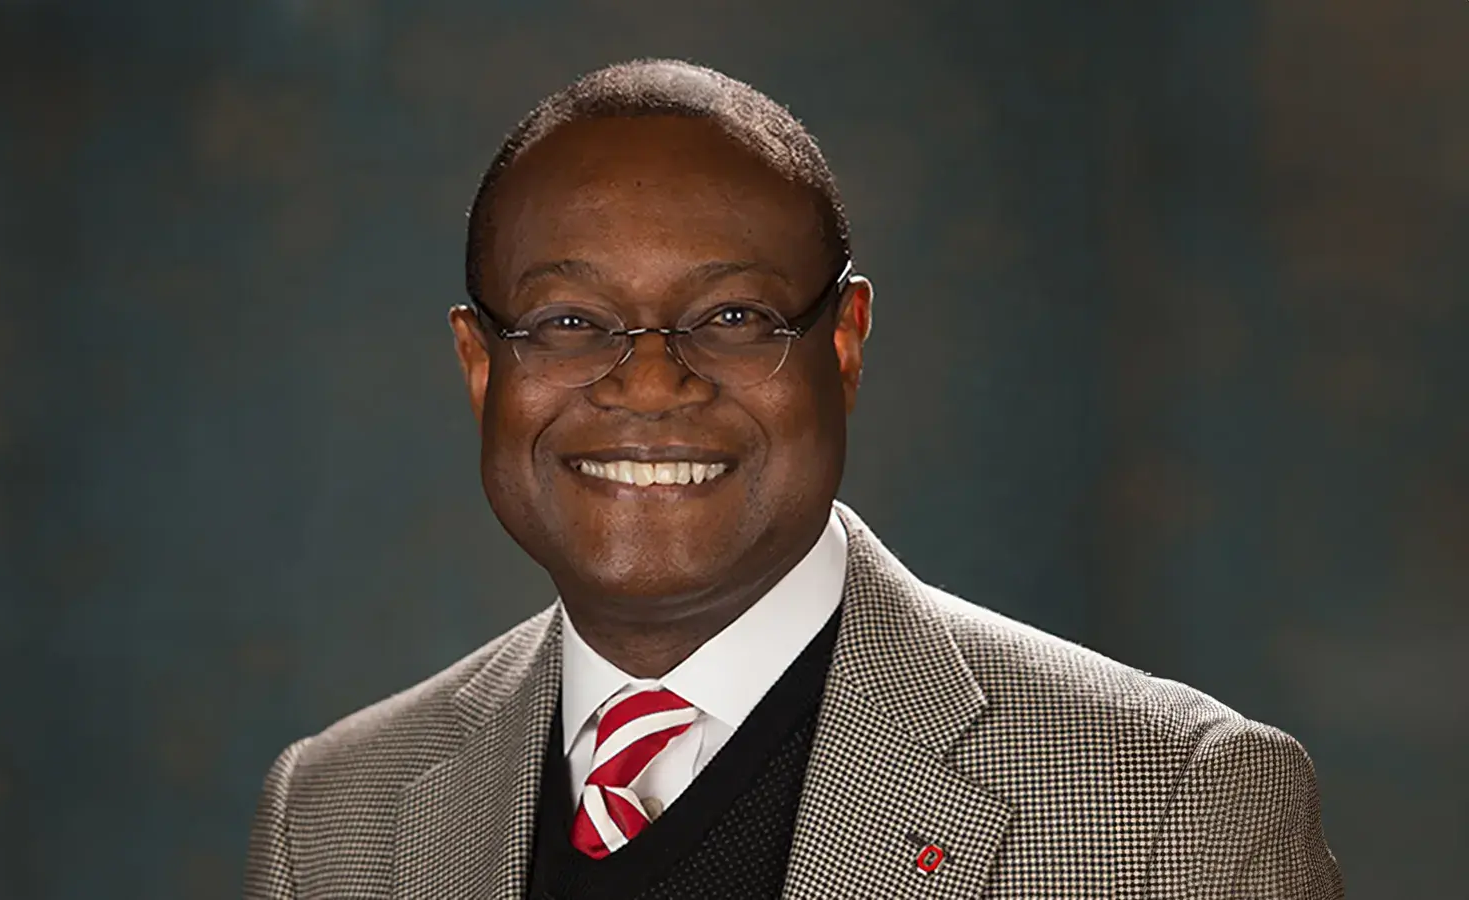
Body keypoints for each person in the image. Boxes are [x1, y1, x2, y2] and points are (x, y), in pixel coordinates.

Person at [244, 59, 1342, 899]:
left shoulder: (1170, 810)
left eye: (732, 317)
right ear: (482, 369)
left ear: (845, 344)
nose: (652, 382)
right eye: (569, 322)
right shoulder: (336, 815)